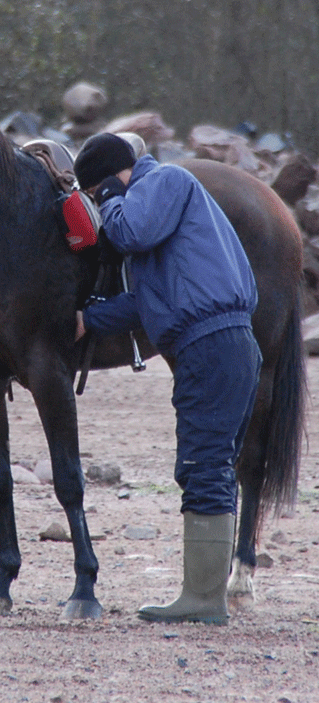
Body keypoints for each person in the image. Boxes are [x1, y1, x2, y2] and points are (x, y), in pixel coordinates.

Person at [73, 133, 262, 625]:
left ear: (113, 177)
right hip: (223, 345)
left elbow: (129, 232)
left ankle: (203, 600)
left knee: (203, 465)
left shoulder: (167, 182)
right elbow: (147, 301)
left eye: (96, 193)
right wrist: (89, 320)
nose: (100, 205)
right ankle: (207, 593)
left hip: (210, 346)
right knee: (212, 464)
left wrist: (110, 200)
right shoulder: (165, 217)